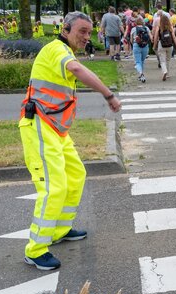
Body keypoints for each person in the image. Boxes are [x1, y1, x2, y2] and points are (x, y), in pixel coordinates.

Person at [19, 12, 121, 271]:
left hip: (55, 129)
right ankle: (35, 249)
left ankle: (60, 230)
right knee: (54, 187)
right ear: (65, 29)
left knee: (75, 175)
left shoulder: (65, 51)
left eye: (89, 32)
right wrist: (108, 94)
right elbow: (75, 69)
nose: (87, 36)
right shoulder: (56, 49)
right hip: (39, 125)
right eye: (82, 31)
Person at [154, 13, 176, 81]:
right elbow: (174, 37)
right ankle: (167, 74)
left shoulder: (159, 27)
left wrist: (154, 45)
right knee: (168, 60)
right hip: (170, 46)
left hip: (161, 45)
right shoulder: (170, 27)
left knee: (162, 60)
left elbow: (156, 37)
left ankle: (164, 71)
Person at [131, 17, 151, 83]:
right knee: (142, 60)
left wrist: (133, 43)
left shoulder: (133, 29)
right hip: (145, 46)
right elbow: (150, 37)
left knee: (138, 62)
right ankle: (141, 74)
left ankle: (141, 73)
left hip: (136, 45)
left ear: (136, 22)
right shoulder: (146, 28)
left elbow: (131, 39)